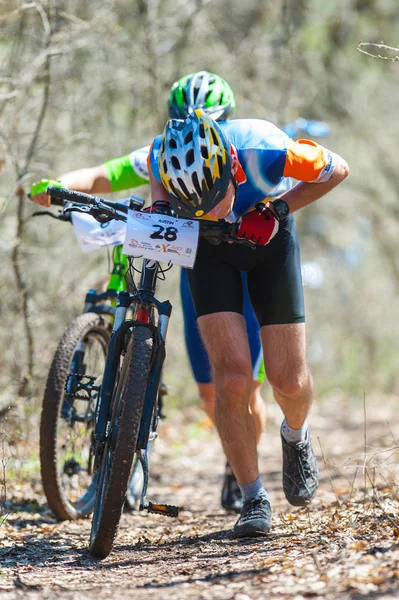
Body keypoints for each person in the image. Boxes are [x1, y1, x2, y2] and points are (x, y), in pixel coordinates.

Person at [30, 71, 266, 513]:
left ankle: (241, 472)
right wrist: (55, 184)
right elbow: (106, 174)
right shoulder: (163, 151)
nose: (192, 127)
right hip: (200, 268)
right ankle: (141, 448)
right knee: (211, 394)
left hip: (247, 267)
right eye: (182, 118)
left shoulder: (247, 152)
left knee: (245, 386)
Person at [148, 109, 349, 538]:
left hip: (270, 239)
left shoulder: (268, 150)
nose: (212, 210)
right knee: (233, 377)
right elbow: (156, 189)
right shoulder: (163, 157)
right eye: (194, 204)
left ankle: (296, 436)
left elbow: (338, 170)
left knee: (288, 379)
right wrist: (163, 212)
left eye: (214, 199)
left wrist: (278, 207)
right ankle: (253, 497)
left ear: (233, 168)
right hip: (207, 251)